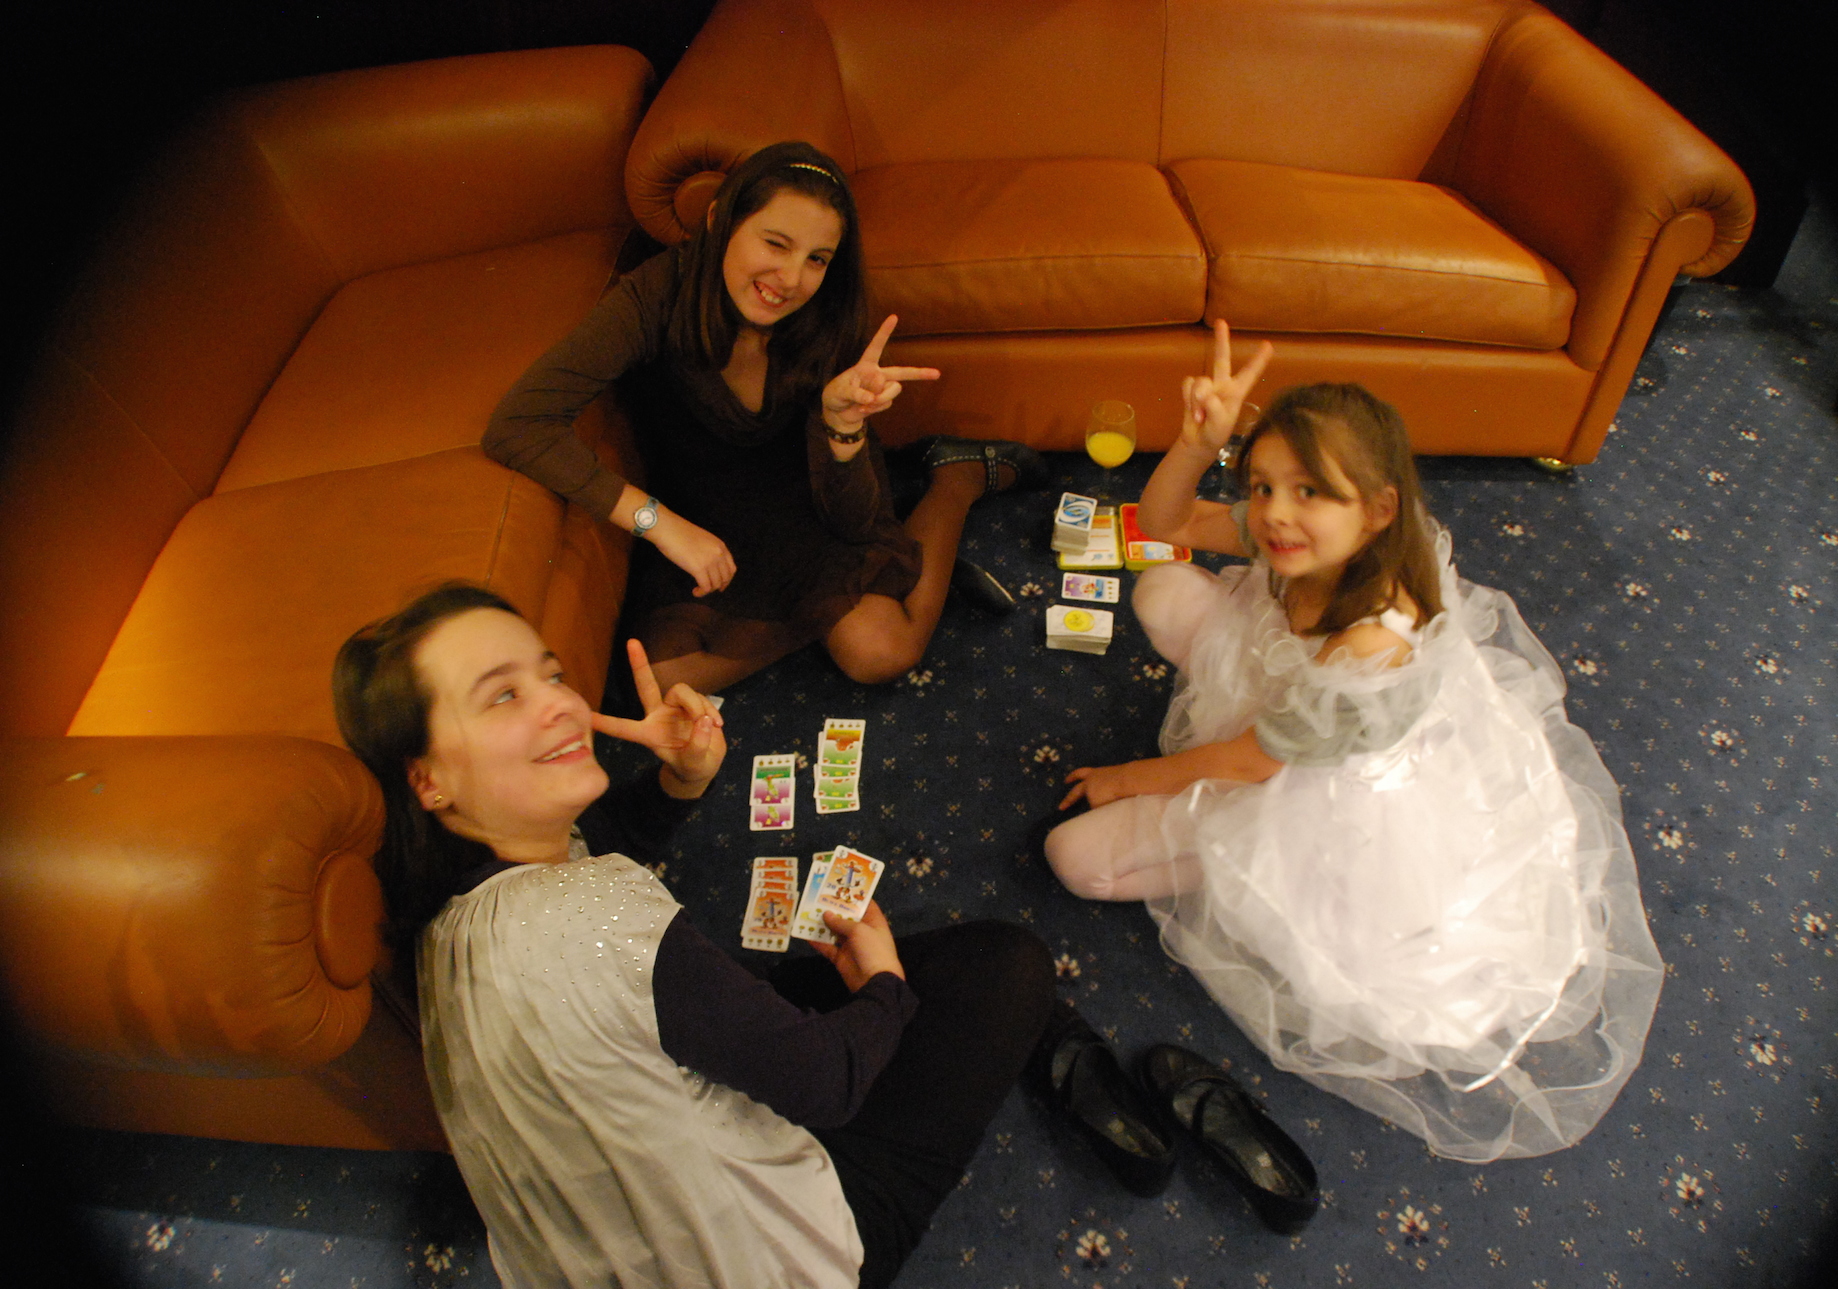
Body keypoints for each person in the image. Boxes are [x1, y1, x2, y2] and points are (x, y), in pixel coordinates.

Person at [1043, 323, 1664, 1162]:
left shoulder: (1373, 641)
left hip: (1311, 791)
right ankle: (1210, 834)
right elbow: (1164, 520)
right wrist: (1195, 442)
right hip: (1285, 712)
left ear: (1378, 509)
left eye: (1310, 492)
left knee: (1074, 859)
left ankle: (1228, 860)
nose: (1275, 513)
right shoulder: (1300, 537)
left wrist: (1128, 776)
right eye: (1263, 486)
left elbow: (1253, 761)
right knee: (1159, 586)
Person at [333, 583, 1053, 1287]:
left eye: (550, 675)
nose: (563, 703)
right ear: (427, 779)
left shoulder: (446, 914)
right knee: (1008, 967)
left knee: (764, 983)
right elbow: (827, 1082)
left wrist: (681, 778)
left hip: (591, 1251)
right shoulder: (600, 911)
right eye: (502, 696)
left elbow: (595, 839)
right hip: (774, 1261)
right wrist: (884, 989)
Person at [485, 140, 1042, 696]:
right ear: (719, 221)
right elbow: (519, 423)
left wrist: (842, 427)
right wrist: (660, 524)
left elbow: (853, 519)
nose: (792, 279)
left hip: (810, 494)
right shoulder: (655, 295)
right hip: (704, 510)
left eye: (817, 259)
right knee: (662, 681)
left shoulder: (829, 311)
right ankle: (875, 593)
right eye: (775, 243)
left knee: (881, 653)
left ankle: (956, 479)